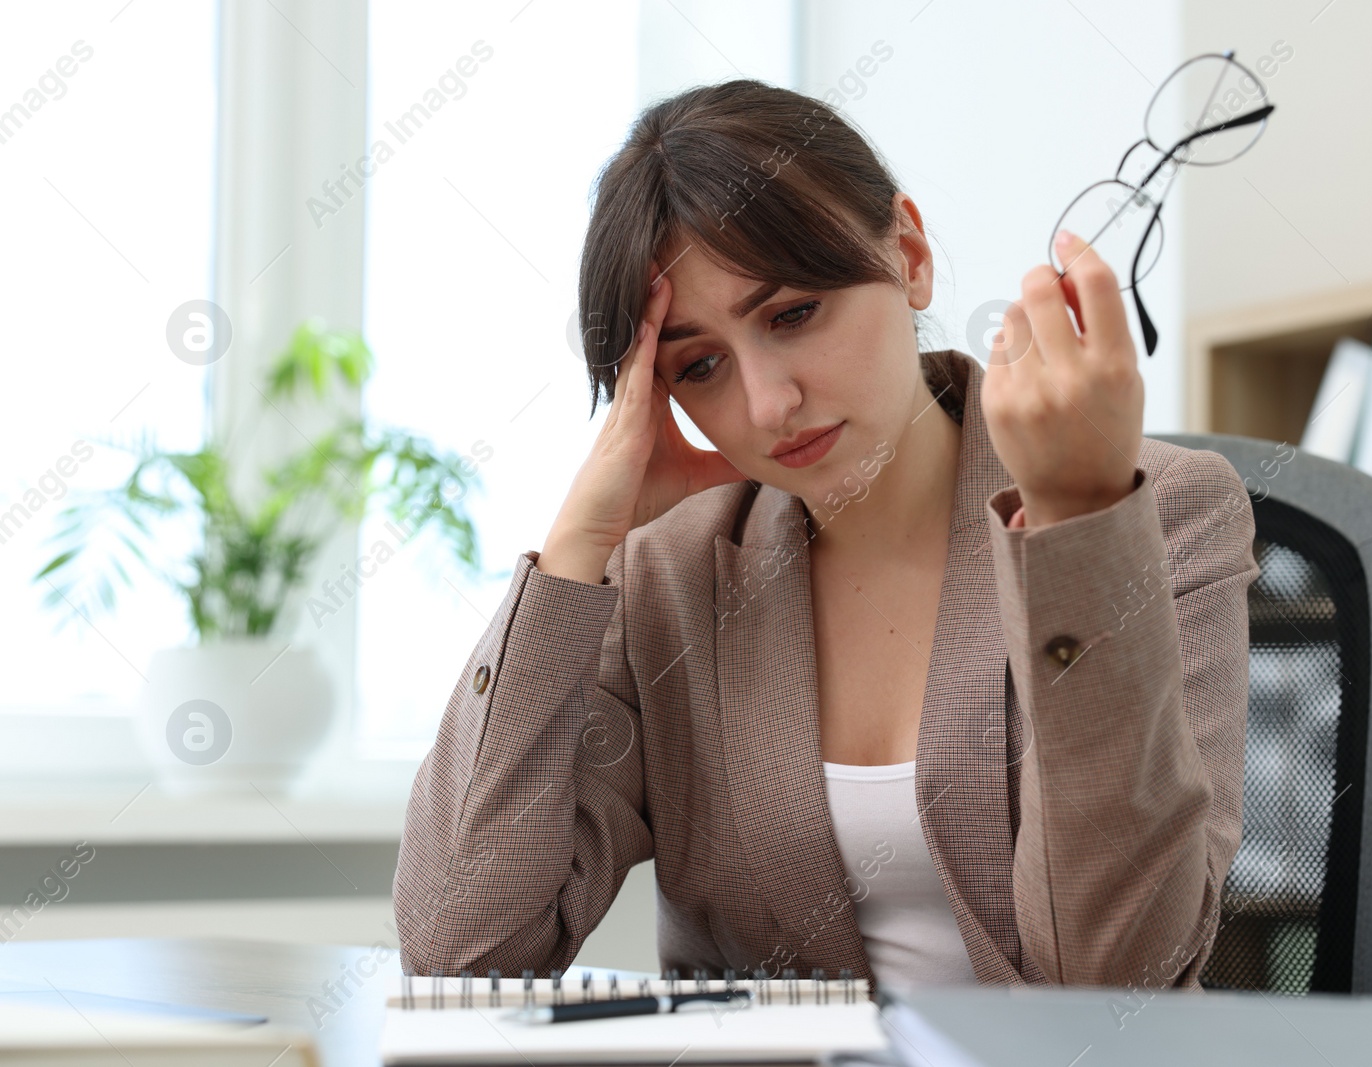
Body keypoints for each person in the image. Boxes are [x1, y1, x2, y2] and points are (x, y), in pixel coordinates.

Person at [394, 78, 1259, 994]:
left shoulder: (1156, 513)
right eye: (700, 365)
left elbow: (1119, 981)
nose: (769, 404)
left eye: (793, 314)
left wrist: (1078, 524)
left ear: (910, 255)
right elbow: (461, 953)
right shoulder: (670, 575)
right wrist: (575, 549)